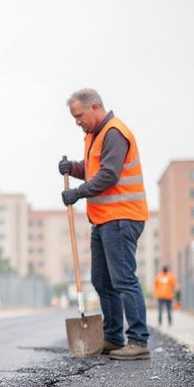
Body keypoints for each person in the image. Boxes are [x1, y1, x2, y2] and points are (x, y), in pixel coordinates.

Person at [59, 88, 150, 360]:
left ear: (95, 107)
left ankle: (138, 340)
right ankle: (113, 337)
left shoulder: (114, 132)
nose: (77, 121)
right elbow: (93, 169)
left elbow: (109, 175)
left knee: (123, 279)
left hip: (121, 218)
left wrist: (78, 192)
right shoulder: (94, 135)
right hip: (104, 220)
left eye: (79, 115)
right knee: (101, 280)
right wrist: (72, 168)